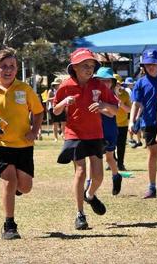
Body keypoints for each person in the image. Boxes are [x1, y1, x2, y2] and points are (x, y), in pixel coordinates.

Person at [0, 48, 44, 240]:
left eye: (12, 66)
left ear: (16, 69)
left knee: (25, 187)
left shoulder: (25, 89)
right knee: (8, 179)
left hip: (23, 145)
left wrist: (34, 131)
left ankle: (16, 189)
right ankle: (9, 225)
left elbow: (38, 111)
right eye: (3, 66)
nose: (8, 70)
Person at [54, 48, 119, 230]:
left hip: (96, 135)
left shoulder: (99, 86)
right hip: (74, 134)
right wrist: (64, 102)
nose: (89, 69)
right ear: (74, 67)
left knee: (98, 176)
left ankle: (89, 195)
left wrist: (102, 105)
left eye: (91, 65)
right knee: (81, 171)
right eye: (85, 65)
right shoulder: (66, 86)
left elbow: (114, 110)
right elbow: (55, 111)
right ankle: (80, 214)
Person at [129, 49, 157, 199]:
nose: (151, 67)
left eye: (153, 63)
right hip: (147, 122)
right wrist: (131, 120)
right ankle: (152, 186)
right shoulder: (140, 83)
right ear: (144, 66)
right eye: (148, 64)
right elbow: (136, 103)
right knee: (152, 152)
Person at [93, 67, 123, 195]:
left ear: (112, 82)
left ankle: (116, 176)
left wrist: (100, 107)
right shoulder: (94, 93)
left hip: (109, 130)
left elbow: (112, 114)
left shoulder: (112, 96)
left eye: (108, 81)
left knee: (109, 158)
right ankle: (89, 184)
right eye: (101, 80)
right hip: (95, 130)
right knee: (93, 157)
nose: (105, 83)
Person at [113, 74, 132, 171]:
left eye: (118, 83)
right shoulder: (107, 93)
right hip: (111, 123)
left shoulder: (125, 94)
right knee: (110, 145)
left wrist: (121, 104)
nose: (116, 85)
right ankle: (111, 162)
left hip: (122, 124)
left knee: (121, 146)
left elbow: (129, 110)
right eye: (114, 83)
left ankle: (120, 164)